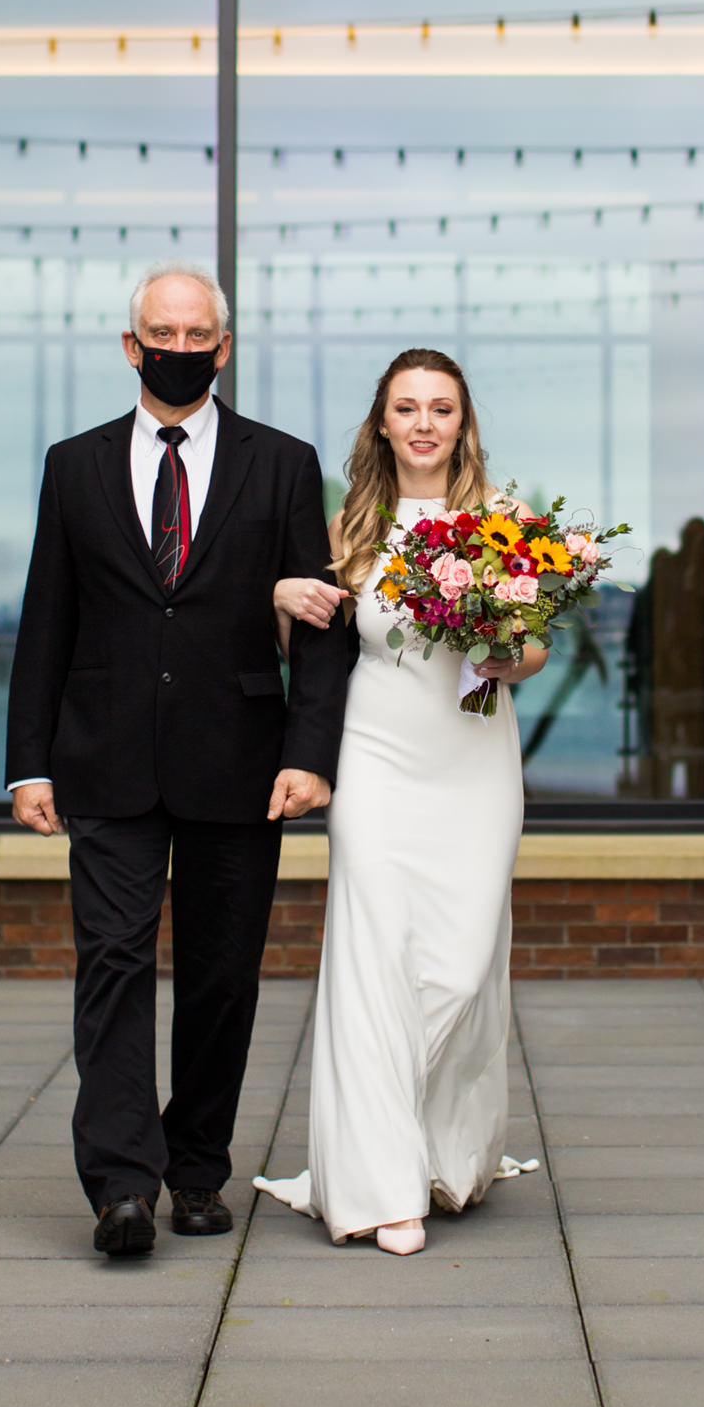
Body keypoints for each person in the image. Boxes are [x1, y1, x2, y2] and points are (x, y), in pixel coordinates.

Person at [5, 261, 346, 1261]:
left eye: (200, 337)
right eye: (164, 333)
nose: (181, 350)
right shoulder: (73, 466)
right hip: (103, 758)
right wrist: (29, 763)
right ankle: (121, 1182)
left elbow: (316, 622)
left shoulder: (282, 464)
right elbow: (47, 618)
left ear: (224, 348)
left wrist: (310, 753)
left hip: (238, 760)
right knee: (111, 964)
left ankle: (196, 1168)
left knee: (220, 976)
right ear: (130, 344)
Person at [257, 349, 548, 1256]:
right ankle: (379, 1182)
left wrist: (509, 656)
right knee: (375, 967)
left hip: (475, 762)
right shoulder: (351, 524)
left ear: (463, 424)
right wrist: (276, 595)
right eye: (407, 407)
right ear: (381, 422)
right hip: (375, 762)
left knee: (459, 970)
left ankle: (430, 1144)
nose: (424, 423)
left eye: (442, 409)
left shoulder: (503, 523)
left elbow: (532, 647)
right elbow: (304, 645)